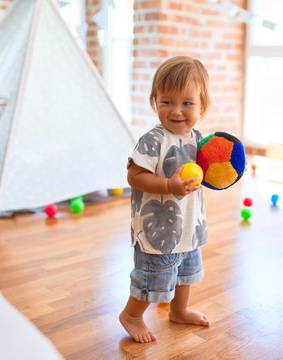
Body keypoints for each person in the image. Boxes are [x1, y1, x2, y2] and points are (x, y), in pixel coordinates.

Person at [119, 56, 211, 343]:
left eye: (187, 103)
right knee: (153, 277)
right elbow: (134, 175)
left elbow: (211, 173)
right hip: (157, 229)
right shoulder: (153, 139)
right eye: (167, 101)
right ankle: (132, 315)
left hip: (187, 226)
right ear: (154, 100)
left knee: (185, 272)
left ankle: (179, 310)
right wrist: (168, 185)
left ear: (202, 106)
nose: (176, 111)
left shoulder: (198, 139)